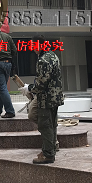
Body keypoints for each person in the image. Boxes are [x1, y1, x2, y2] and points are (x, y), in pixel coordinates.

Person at [29, 34, 63, 164]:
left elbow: (41, 83)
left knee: (45, 125)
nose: (33, 48)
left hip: (46, 98)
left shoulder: (43, 60)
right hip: (55, 97)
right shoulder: (53, 55)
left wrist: (29, 88)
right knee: (52, 124)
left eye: (34, 45)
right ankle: (51, 148)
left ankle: (48, 154)